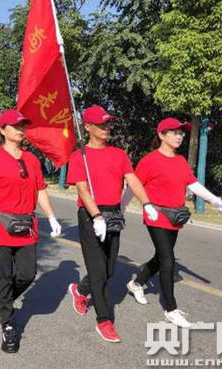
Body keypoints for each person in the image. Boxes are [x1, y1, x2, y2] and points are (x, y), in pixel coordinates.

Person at [122, 118, 222, 327]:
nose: (180, 136)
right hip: (156, 215)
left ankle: (136, 283)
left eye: (181, 132)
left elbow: (193, 184)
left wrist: (214, 200)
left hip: (175, 217)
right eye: (174, 132)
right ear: (161, 135)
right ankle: (170, 309)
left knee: (161, 257)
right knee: (168, 262)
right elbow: (133, 186)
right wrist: (121, 208)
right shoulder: (149, 160)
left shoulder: (180, 161)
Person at [66, 105, 158, 343]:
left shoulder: (119, 154)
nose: (107, 128)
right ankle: (104, 320)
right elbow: (82, 190)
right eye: (101, 124)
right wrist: (96, 216)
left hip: (113, 215)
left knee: (109, 270)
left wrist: (147, 203)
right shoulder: (79, 156)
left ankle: (79, 290)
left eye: (108, 123)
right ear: (87, 127)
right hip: (90, 216)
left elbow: (132, 180)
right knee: (99, 273)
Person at [0, 109, 62, 353]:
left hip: (27, 226)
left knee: (28, 273)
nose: (21, 129)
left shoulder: (32, 160)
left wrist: (52, 216)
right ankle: (8, 324)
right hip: (1, 226)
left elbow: (41, 190)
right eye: (15, 125)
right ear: (3, 130)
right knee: (2, 277)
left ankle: (4, 298)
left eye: (23, 125)